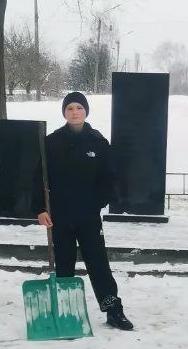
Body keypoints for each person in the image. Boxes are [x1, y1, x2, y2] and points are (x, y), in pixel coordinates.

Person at [33, 91, 134, 331]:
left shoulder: (97, 142)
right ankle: (67, 313)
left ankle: (113, 309)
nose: (74, 112)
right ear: (64, 113)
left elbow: (109, 178)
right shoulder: (52, 142)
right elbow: (38, 177)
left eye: (79, 108)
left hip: (88, 216)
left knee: (98, 263)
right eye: (70, 108)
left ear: (86, 111)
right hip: (59, 215)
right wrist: (40, 208)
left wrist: (96, 202)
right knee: (64, 264)